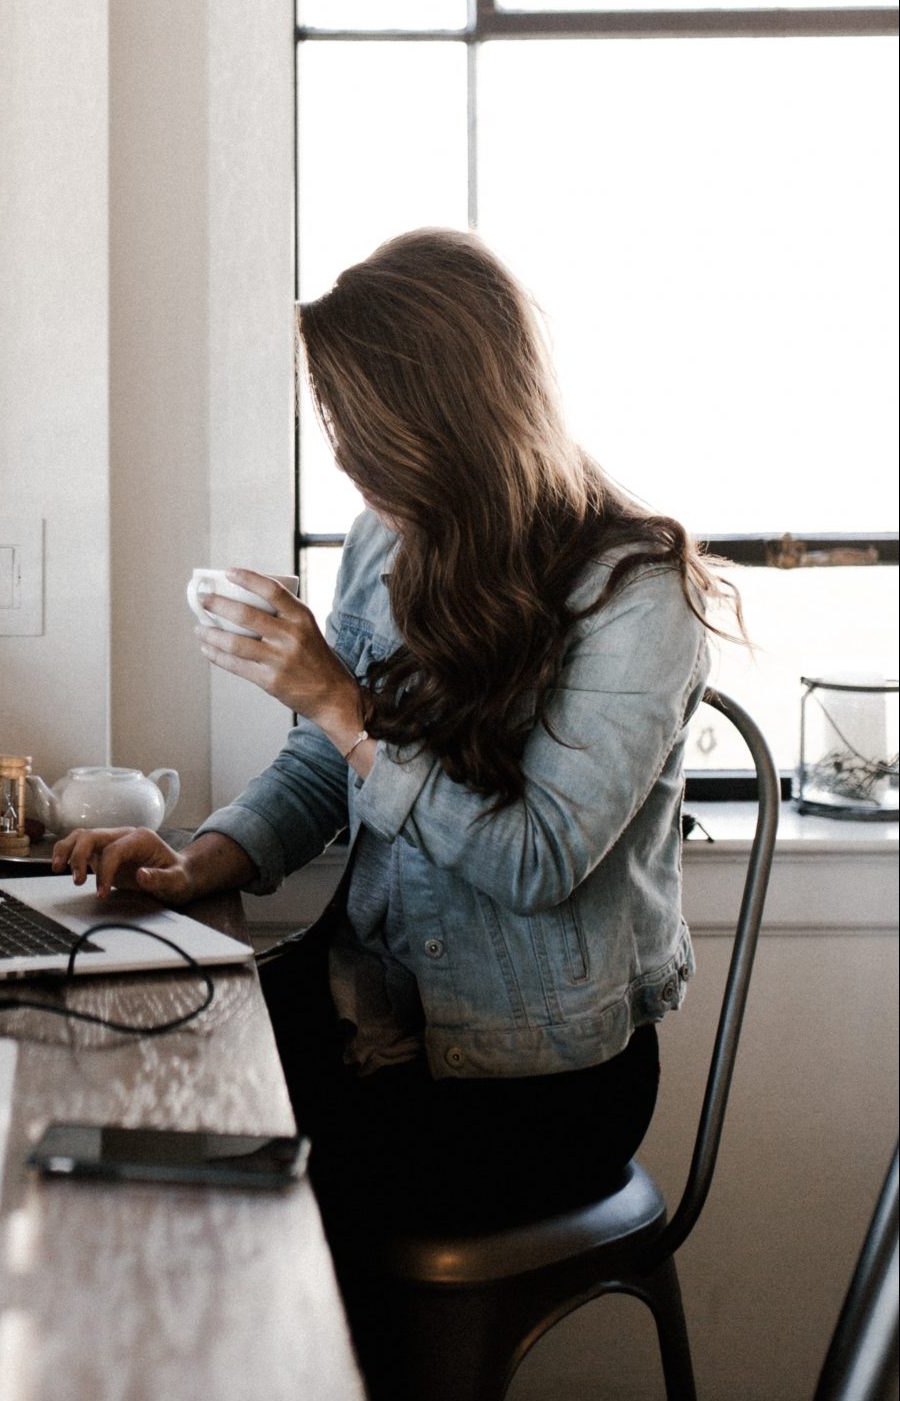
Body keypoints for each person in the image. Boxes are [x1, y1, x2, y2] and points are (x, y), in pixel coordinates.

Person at [52, 227, 739, 1294]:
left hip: (532, 1086)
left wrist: (335, 696)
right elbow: (328, 762)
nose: (341, 453)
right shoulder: (390, 542)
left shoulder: (634, 594)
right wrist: (204, 860)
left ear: (447, 416)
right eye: (333, 421)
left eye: (356, 424)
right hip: (369, 1018)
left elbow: (536, 862)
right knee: (108, 1089)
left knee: (192, 1198)